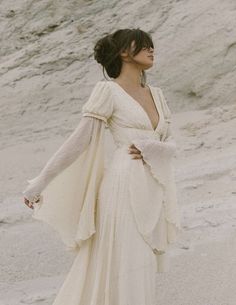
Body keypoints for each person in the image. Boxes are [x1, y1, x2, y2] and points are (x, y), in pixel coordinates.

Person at [23, 28, 182, 305]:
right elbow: (80, 140)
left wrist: (154, 148)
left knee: (142, 265)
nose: (151, 49)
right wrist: (39, 182)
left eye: (152, 45)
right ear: (123, 52)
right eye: (143, 45)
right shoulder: (108, 90)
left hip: (153, 187)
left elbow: (169, 143)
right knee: (126, 264)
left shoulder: (157, 94)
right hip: (123, 187)